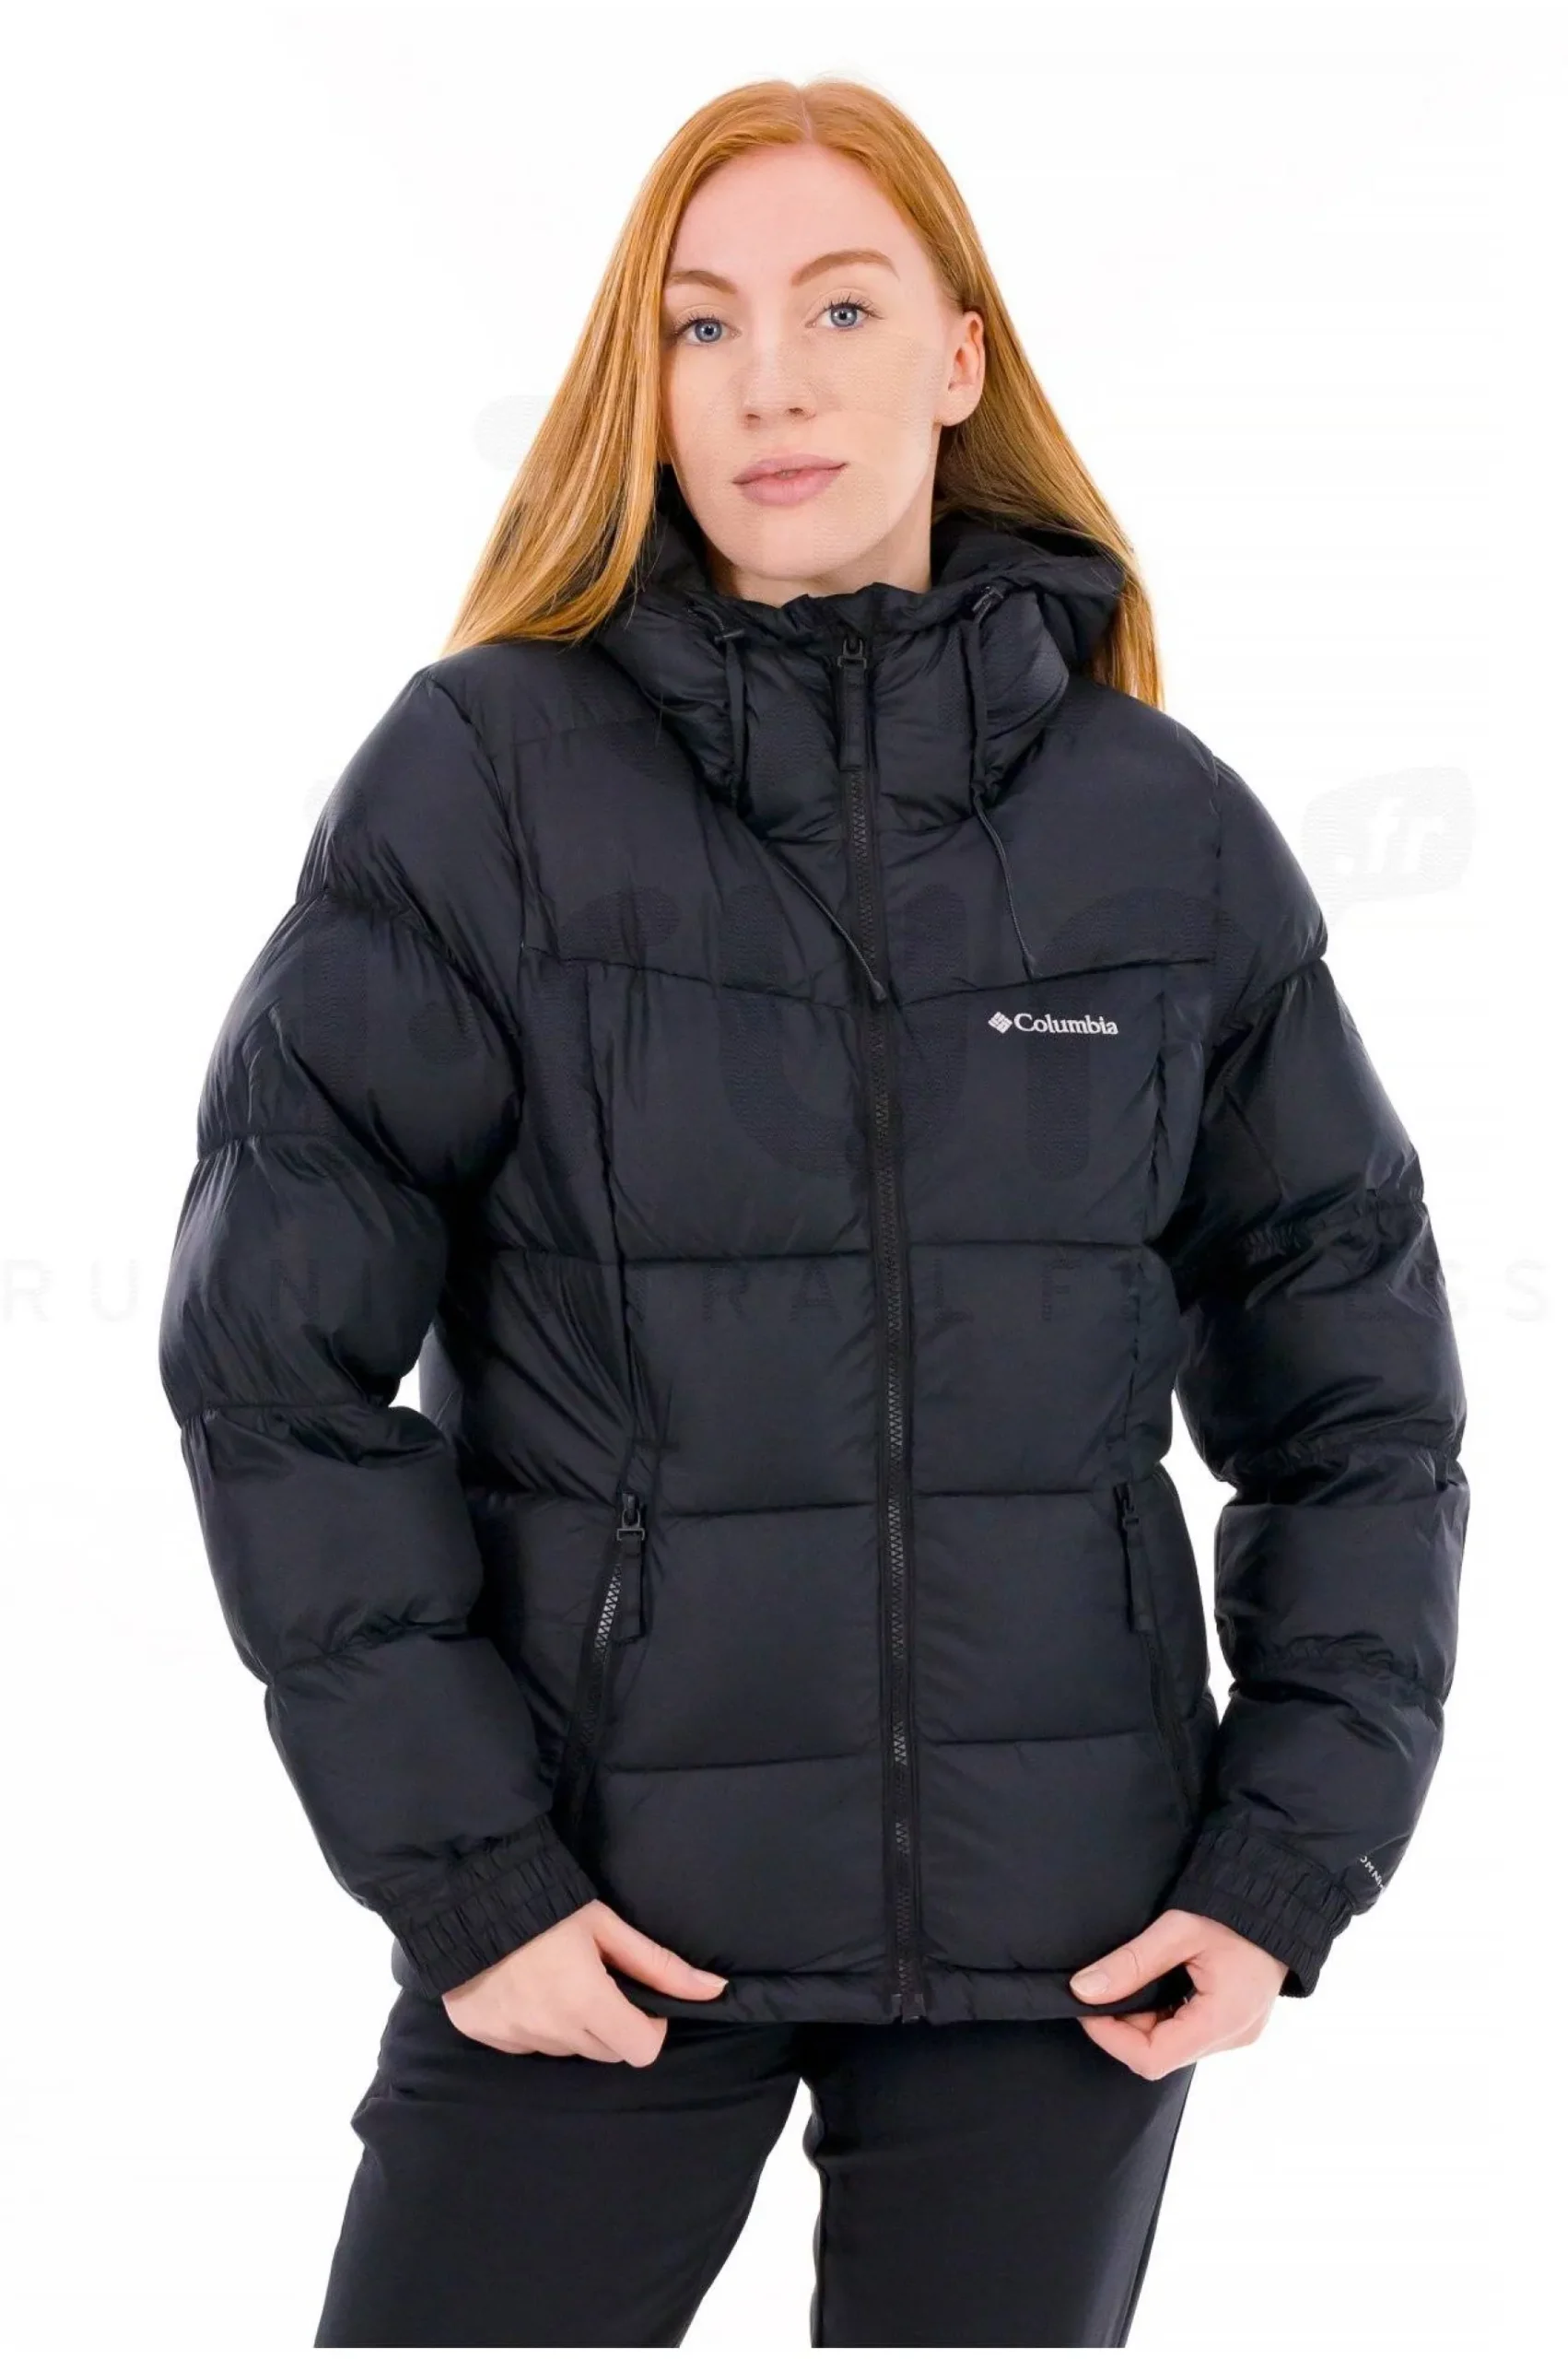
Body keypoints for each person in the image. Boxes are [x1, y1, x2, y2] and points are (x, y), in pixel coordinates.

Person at [157, 75, 1469, 2351]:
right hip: (592, 1925)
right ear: (641, 383)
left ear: (956, 358)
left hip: (1064, 1947)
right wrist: (467, 1871)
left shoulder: (1157, 830)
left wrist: (1284, 1854)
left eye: (838, 308)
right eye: (701, 324)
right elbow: (271, 1355)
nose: (769, 379)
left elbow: (1352, 1385)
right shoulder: (483, 786)